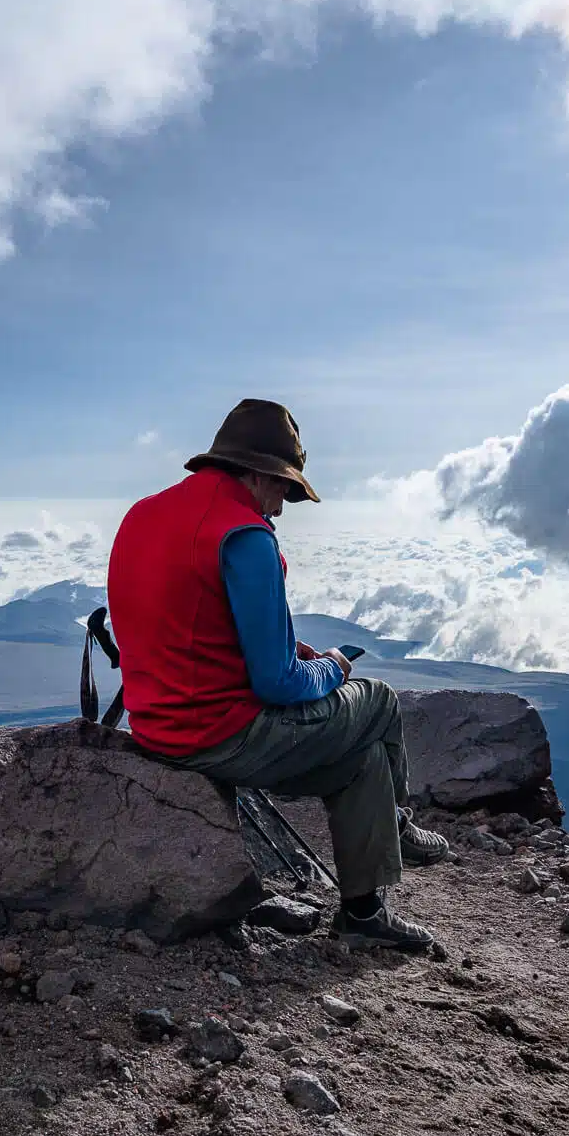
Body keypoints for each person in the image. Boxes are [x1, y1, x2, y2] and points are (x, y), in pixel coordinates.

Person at [107, 398, 449, 952]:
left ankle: (364, 915)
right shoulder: (244, 535)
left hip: (154, 722)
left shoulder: (143, 515)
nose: (284, 506)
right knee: (379, 700)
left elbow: (187, 625)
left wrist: (290, 653)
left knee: (361, 761)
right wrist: (332, 668)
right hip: (221, 733)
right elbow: (277, 684)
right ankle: (400, 823)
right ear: (258, 473)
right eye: (285, 489)